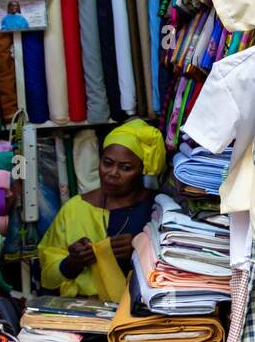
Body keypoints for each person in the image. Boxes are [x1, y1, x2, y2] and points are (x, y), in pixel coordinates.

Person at [37, 120, 164, 298]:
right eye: (107, 163)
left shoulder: (158, 209)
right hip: (84, 311)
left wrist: (140, 253)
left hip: (141, 310)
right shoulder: (75, 209)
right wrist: (72, 262)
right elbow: (48, 275)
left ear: (142, 169)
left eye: (125, 168)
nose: (112, 173)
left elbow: (177, 266)